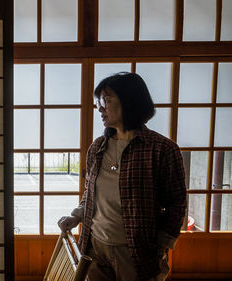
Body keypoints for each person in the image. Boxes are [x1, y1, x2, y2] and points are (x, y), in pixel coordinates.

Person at [58, 72, 187, 281]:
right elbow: (91, 194)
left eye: (106, 100)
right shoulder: (97, 147)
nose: (99, 108)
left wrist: (161, 246)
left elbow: (177, 203)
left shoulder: (162, 149)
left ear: (129, 101)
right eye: (98, 101)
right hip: (95, 246)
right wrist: (76, 215)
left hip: (136, 252)